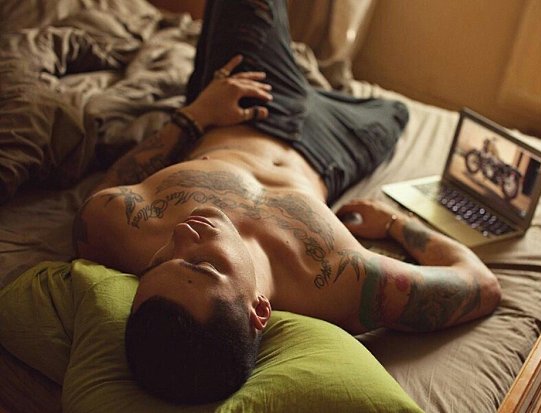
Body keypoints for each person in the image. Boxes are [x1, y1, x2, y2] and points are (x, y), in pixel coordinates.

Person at [73, 0, 501, 405]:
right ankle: (316, 86)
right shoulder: (341, 287)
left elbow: (107, 192)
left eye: (159, 262)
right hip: (334, 151)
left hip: (245, 104)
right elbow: (480, 285)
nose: (183, 236)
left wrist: (194, 116)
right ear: (259, 309)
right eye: (203, 265)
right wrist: (394, 224)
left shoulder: (121, 232)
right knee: (395, 112)